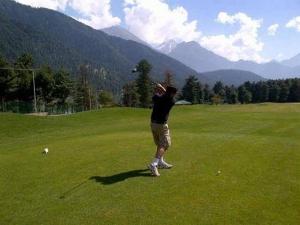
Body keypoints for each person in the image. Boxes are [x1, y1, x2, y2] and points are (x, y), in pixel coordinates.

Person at [148, 84, 177, 176]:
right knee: (165, 144)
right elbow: (167, 95)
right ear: (172, 94)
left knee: (160, 143)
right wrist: (162, 88)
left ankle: (160, 161)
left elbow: (160, 94)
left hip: (153, 124)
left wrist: (159, 88)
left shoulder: (157, 98)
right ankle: (154, 164)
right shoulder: (171, 101)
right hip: (161, 125)